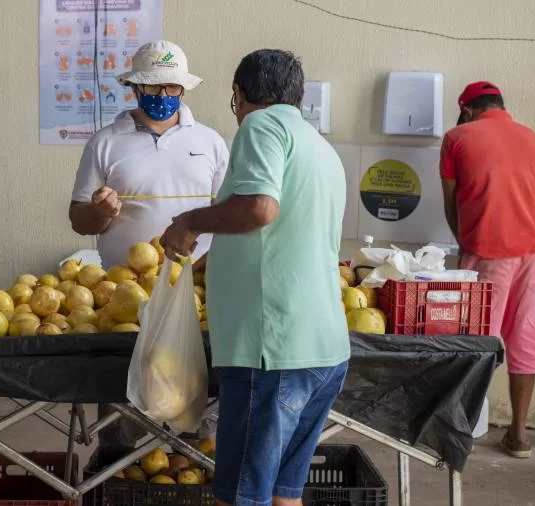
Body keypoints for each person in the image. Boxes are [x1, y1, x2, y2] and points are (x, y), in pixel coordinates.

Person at [161, 49, 349, 506]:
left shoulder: (261, 126)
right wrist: (223, 257)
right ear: (299, 98)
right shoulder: (318, 146)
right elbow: (285, 231)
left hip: (273, 351)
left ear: (239, 95)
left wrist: (189, 222)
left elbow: (260, 208)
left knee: (243, 496)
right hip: (323, 350)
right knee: (284, 494)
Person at [69, 40, 228, 452]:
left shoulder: (210, 142)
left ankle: (191, 467)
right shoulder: (105, 143)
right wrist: (99, 212)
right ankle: (120, 466)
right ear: (135, 87)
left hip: (194, 295)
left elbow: (229, 215)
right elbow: (78, 220)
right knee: (125, 409)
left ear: (183, 89)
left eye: (171, 87)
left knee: (196, 409)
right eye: (154, 87)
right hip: (122, 299)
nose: (163, 95)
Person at [440, 81, 535, 459]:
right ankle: (519, 435)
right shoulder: (533, 139)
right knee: (526, 339)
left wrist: (466, 244)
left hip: (487, 253)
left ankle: (463, 429)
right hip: (533, 255)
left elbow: (451, 204)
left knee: (477, 343)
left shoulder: (456, 138)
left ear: (467, 111)